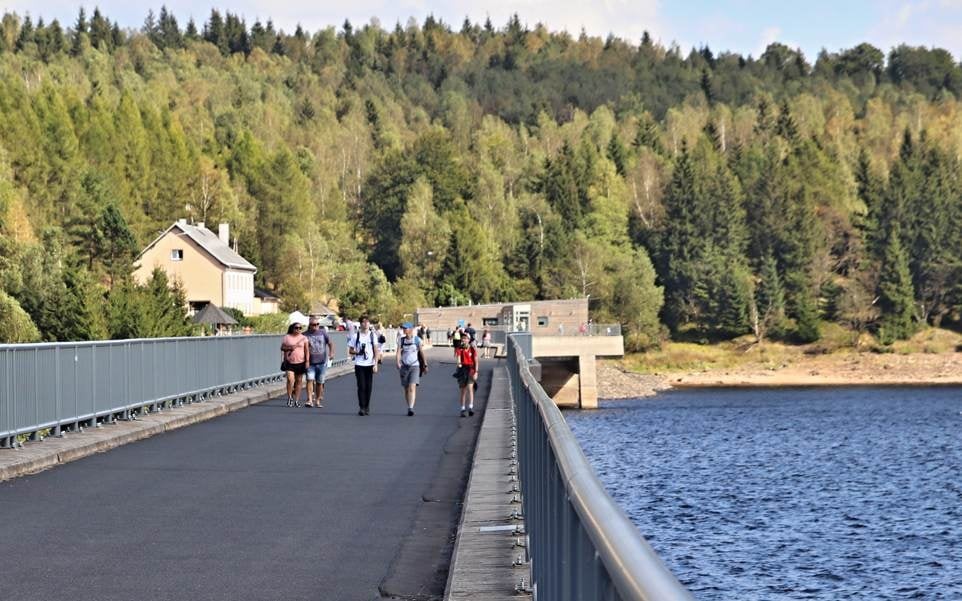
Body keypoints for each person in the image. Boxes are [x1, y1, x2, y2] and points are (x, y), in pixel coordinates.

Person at [348, 315, 381, 416]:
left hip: (370, 364)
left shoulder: (372, 335)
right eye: (363, 322)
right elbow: (350, 350)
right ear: (361, 324)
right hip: (359, 364)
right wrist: (358, 352)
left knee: (368, 386)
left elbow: (376, 350)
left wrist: (376, 364)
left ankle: (367, 406)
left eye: (367, 322)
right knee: (361, 386)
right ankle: (362, 407)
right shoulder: (356, 336)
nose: (366, 323)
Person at [396, 322, 426, 416]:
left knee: (412, 387)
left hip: (415, 366)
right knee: (406, 388)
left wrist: (425, 364)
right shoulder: (401, 340)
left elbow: (421, 352)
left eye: (406, 328)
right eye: (403, 328)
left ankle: (411, 408)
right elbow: (398, 352)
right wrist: (397, 362)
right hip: (404, 366)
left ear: (411, 329)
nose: (404, 330)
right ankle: (409, 405)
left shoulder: (417, 340)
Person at [305, 317, 334, 408]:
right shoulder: (305, 335)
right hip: (310, 362)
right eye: (314, 324)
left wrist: (331, 353)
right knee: (310, 380)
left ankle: (317, 400)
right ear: (310, 325)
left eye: (317, 324)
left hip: (322, 362)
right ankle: (310, 400)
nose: (316, 326)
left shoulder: (323, 333)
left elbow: (330, 343)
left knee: (319, 382)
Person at [280, 322, 309, 407]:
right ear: (292, 328)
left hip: (301, 362)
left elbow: (307, 350)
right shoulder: (287, 337)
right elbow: (282, 347)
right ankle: (290, 398)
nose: (298, 329)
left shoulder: (304, 338)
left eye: (300, 328)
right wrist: (290, 348)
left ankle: (297, 400)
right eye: (296, 328)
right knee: (290, 380)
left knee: (299, 381)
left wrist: (307, 361)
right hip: (289, 362)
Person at [454, 336, 478, 417]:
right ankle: (463, 409)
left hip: (471, 370)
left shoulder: (472, 349)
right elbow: (458, 359)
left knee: (470, 389)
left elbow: (476, 361)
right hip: (463, 370)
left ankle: (470, 407)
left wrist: (476, 372)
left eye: (466, 338)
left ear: (468, 340)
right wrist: (459, 364)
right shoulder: (460, 349)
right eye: (463, 339)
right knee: (463, 390)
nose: (464, 340)